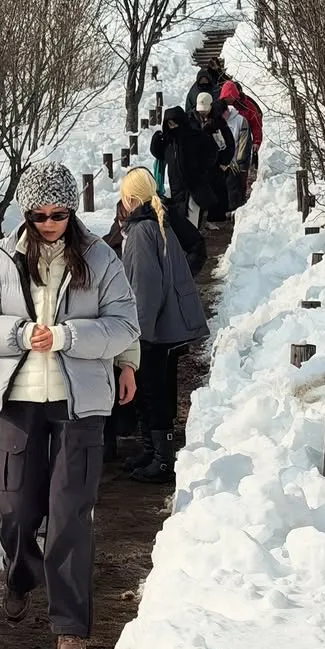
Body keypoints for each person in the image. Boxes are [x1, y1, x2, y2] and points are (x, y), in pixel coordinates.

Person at [0, 162, 139, 649]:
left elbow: (124, 323)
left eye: (60, 214)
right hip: (20, 399)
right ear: (26, 213)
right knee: (13, 507)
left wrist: (75, 340)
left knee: (69, 513)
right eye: (40, 215)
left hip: (82, 404)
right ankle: (21, 571)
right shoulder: (2, 258)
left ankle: (71, 626)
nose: (51, 223)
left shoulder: (100, 259)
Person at [118, 167, 209, 482]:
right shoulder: (158, 223)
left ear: (129, 198)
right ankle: (153, 451)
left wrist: (138, 333)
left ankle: (162, 459)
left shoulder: (142, 231)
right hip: (167, 323)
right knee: (157, 388)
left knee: (152, 390)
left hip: (154, 328)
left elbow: (145, 286)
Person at [150, 106, 218, 228]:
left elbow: (212, 152)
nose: (173, 127)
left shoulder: (195, 137)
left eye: (175, 123)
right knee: (180, 223)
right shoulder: (168, 141)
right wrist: (156, 140)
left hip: (194, 187)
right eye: (170, 124)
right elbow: (158, 153)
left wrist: (201, 169)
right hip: (176, 188)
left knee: (191, 224)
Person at [193, 91, 235, 225]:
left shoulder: (218, 121)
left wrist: (225, 162)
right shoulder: (191, 119)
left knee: (217, 190)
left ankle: (216, 217)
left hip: (216, 163)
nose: (203, 113)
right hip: (198, 163)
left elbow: (230, 143)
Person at [218, 80, 253, 209]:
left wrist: (239, 160)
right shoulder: (217, 118)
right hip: (222, 161)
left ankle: (236, 207)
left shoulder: (241, 119)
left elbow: (244, 141)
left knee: (236, 186)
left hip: (236, 160)